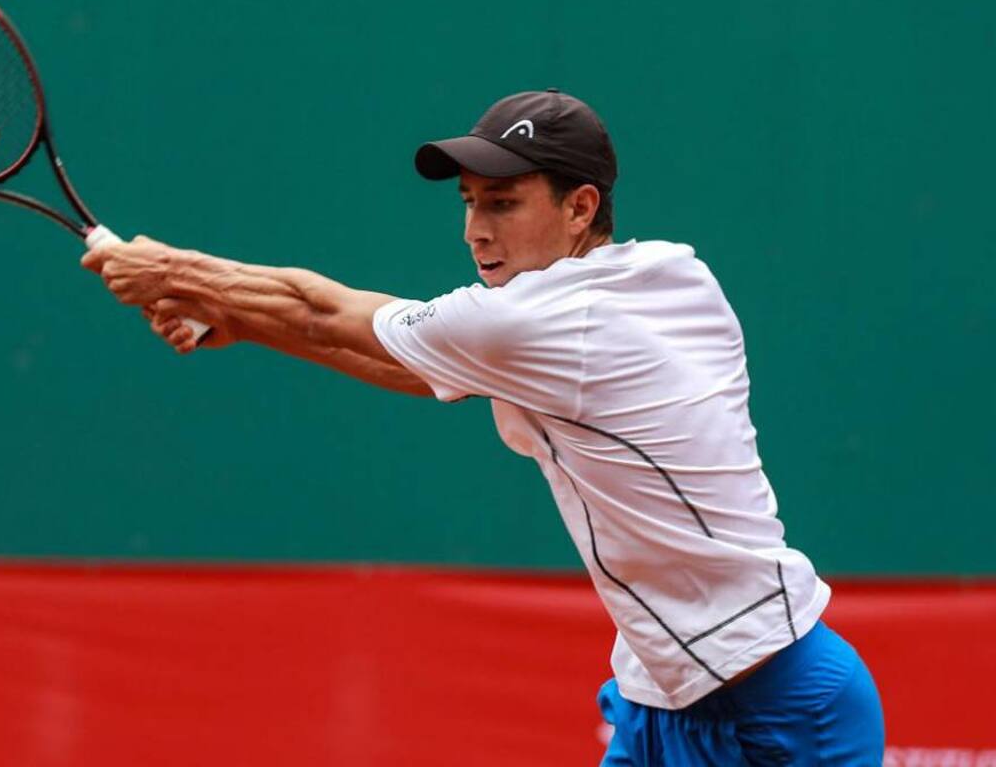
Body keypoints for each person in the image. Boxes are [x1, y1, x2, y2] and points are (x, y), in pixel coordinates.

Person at [81, 89, 885, 764]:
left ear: (581, 208)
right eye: (469, 204)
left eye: (502, 203)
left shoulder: (545, 324)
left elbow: (323, 309)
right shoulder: (665, 273)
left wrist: (175, 272)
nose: (475, 231)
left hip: (778, 706)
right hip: (662, 694)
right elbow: (420, 367)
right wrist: (243, 323)